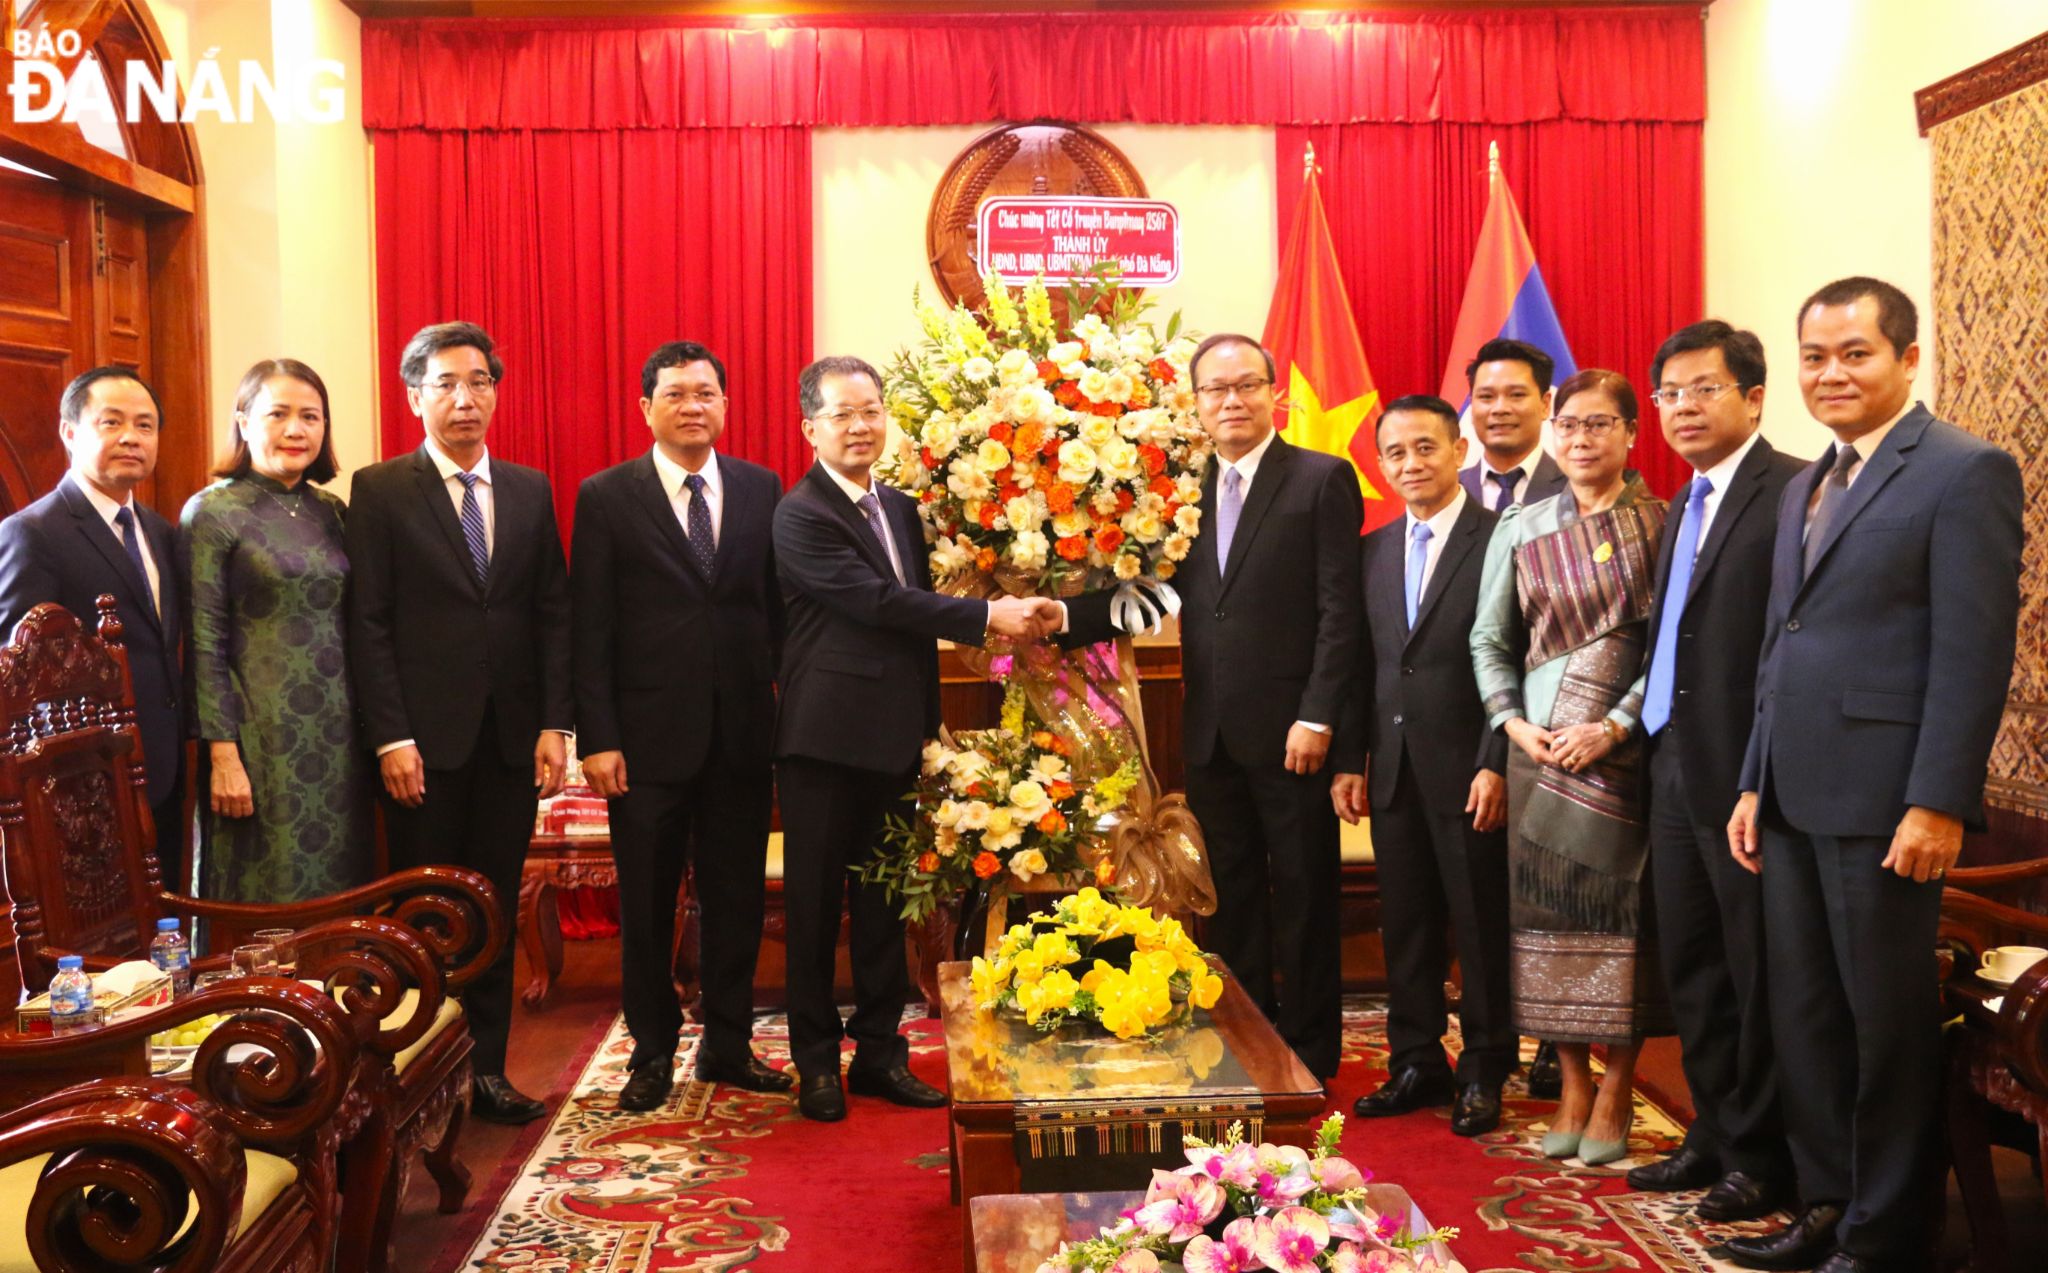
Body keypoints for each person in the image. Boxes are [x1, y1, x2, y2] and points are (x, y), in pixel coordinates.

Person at [1723, 279, 2022, 1273]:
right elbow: (1782, 642)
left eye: (1853, 353)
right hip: (1792, 797)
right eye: (1812, 355)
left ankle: (1885, 1233)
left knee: (1880, 1026)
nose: (1829, 372)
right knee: (1804, 1016)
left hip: (1888, 802)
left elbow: (1971, 654)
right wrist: (1751, 780)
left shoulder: (1961, 471)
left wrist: (1936, 799)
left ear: (1905, 358)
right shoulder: (1810, 482)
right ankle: (1823, 1201)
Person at [771, 355, 1097, 1122]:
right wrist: (988, 618)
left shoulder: (900, 507)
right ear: (810, 427)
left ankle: (881, 1053)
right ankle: (816, 1063)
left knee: (886, 905)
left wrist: (932, 721)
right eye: (842, 413)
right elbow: (878, 602)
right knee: (817, 911)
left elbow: (911, 618)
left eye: (871, 409)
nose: (860, 424)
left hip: (894, 738)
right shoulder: (801, 512)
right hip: (822, 741)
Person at [346, 321, 572, 1126]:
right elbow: (367, 623)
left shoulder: (528, 488)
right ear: (415, 395)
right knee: (423, 916)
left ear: (496, 391)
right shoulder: (378, 491)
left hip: (511, 740)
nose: (464, 397)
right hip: (422, 749)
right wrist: (391, 737)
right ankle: (416, 1077)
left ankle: (487, 1072)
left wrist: (555, 722)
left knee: (492, 906)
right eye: (444, 382)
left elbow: (552, 612)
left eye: (478, 381)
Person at [572, 341, 790, 1112]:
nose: (692, 405)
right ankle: (653, 1051)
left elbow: (777, 613)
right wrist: (595, 737)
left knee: (734, 898)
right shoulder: (605, 496)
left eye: (706, 393)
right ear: (646, 408)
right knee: (648, 904)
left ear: (725, 405)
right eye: (675, 394)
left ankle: (728, 1045)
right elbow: (589, 627)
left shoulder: (763, 489)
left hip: (740, 734)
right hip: (643, 743)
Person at [1623, 323, 1805, 1219]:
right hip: (1672, 768)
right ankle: (1716, 1130)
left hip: (1747, 781)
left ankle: (1764, 1155)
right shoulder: (1680, 503)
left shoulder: (1795, 492)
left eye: (1704, 389)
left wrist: (1758, 775)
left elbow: (1786, 650)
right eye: (1670, 395)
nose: (1683, 408)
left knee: (1752, 969)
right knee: (1691, 967)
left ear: (1754, 397)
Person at [1470, 367, 1668, 1167]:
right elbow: (1489, 641)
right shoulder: (1520, 524)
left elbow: (1674, 646)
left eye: (1600, 425)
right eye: (1571, 426)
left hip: (1622, 756)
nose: (1582, 440)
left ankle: (1617, 1085)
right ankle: (1573, 1083)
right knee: (1546, 918)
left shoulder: (1665, 524)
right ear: (1554, 433)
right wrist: (1511, 725)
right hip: (1538, 755)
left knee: (1619, 920)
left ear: (1630, 433)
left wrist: (1616, 727)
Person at [1174, 333, 1363, 1080]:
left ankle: (1310, 1046)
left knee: (1306, 892)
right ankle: (1243, 1035)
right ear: (1196, 405)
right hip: (1212, 732)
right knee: (1232, 897)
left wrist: (1318, 715)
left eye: (1246, 385)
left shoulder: (1319, 479)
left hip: (1294, 732)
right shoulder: (1179, 488)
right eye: (1215, 390)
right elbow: (1154, 595)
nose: (1232, 401)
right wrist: (1059, 614)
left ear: (1273, 393)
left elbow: (1338, 609)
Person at [1331, 395, 1510, 1136]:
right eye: (1396, 452)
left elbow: (1521, 661)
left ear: (1459, 449)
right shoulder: (1371, 547)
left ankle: (1484, 1069)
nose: (1412, 463)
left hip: (1473, 769)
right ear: (1381, 465)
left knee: (1478, 926)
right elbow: (1357, 663)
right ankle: (1415, 1060)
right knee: (1405, 925)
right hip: (1394, 768)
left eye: (1426, 448)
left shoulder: (1502, 537)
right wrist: (1350, 759)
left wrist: (1497, 760)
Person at [183, 359, 373, 903]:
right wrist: (223, 755)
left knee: (343, 891)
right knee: (265, 891)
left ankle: (336, 991)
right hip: (257, 739)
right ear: (243, 421)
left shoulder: (333, 511)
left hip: (339, 739)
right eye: (279, 414)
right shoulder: (212, 513)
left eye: (311, 417)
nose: (296, 430)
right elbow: (203, 641)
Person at [0, 367, 184, 865]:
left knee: (163, 925)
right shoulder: (32, 533)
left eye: (145, 426)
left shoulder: (162, 532)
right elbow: (19, 676)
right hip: (81, 784)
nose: (131, 437)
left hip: (161, 769)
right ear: (70, 432)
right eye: (112, 422)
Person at [1458, 338, 1570, 514]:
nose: (1500, 409)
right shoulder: (1448, 492)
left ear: (1545, 405)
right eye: (1487, 397)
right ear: (1472, 406)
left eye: (1516, 395)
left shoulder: (1576, 489)